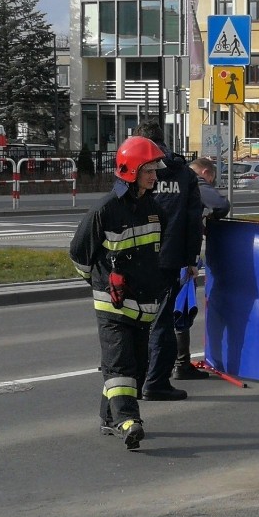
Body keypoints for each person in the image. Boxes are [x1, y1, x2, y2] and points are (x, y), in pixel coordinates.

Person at [69, 136, 168, 449]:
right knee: (120, 364)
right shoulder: (106, 210)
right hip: (112, 304)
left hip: (143, 306)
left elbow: (155, 254)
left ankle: (109, 419)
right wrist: (100, 283)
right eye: (148, 170)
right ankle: (128, 420)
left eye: (155, 169)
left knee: (136, 367)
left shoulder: (153, 208)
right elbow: (79, 253)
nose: (154, 175)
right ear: (130, 171)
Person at [133, 119, 204, 400]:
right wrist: (191, 260)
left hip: (135, 257)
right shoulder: (184, 174)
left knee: (134, 322)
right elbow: (193, 221)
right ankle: (157, 382)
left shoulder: (135, 171)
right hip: (171, 258)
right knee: (162, 322)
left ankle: (135, 382)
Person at [172, 157, 231, 379]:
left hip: (155, 251)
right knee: (181, 306)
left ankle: (154, 365)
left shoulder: (163, 177)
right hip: (182, 254)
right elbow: (220, 205)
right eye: (211, 180)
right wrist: (207, 218)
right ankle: (181, 364)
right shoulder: (193, 180)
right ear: (206, 172)